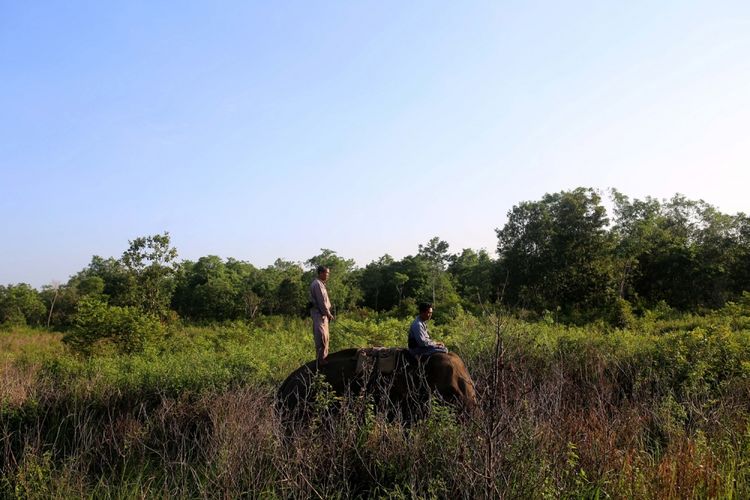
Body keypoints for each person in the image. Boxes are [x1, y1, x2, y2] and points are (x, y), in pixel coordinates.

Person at [309, 265, 334, 366]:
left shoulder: (322, 284)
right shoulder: (317, 284)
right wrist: (328, 313)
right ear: (320, 273)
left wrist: (327, 314)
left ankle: (324, 358)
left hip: (324, 316)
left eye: (328, 273)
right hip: (319, 314)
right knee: (321, 336)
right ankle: (320, 361)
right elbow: (321, 302)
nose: (327, 275)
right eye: (326, 273)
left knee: (326, 337)